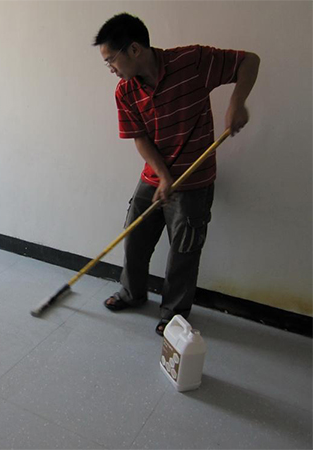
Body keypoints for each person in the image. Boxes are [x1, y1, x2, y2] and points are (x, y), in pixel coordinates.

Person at [93, 13, 260, 335]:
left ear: (135, 49)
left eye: (111, 59)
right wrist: (163, 175)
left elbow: (249, 61)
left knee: (184, 250)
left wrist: (237, 103)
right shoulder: (125, 91)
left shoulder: (191, 62)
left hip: (194, 180)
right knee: (135, 237)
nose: (110, 68)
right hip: (154, 177)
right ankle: (132, 293)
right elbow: (140, 138)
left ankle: (174, 313)